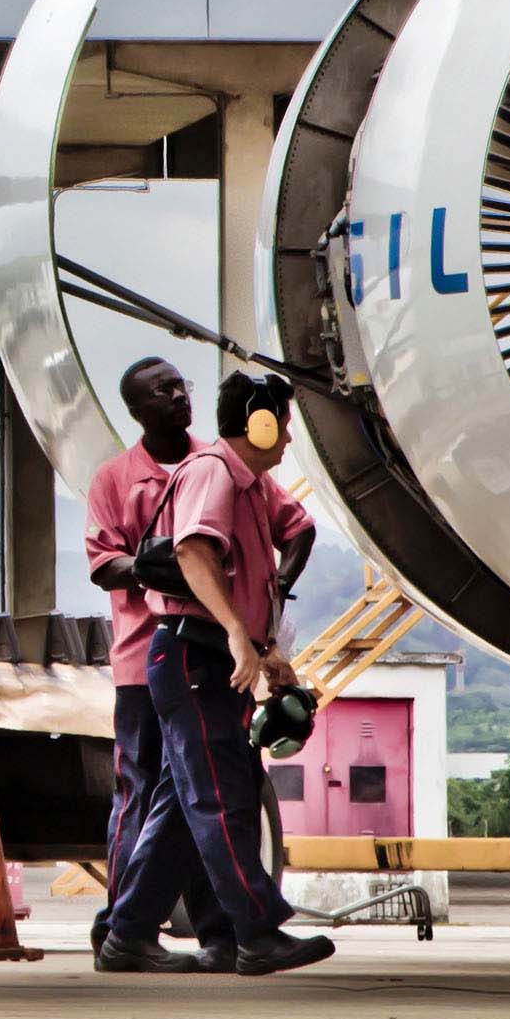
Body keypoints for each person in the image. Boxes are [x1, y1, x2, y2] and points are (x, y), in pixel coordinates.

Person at [92, 369, 338, 977]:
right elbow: (192, 552)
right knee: (219, 797)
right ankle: (255, 931)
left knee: (182, 802)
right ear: (257, 421)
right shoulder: (213, 473)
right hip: (192, 652)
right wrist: (235, 633)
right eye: (283, 424)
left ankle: (127, 933)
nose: (287, 440)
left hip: (209, 654)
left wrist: (266, 649)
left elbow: (262, 566)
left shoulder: (246, 481)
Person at [83, 355, 233, 974]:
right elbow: (102, 565)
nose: (179, 396)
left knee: (208, 796)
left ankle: (218, 931)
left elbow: (286, 524)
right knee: (141, 794)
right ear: (136, 410)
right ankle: (121, 925)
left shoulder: (218, 466)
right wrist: (149, 565)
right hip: (143, 664)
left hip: (212, 656)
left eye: (182, 386)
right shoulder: (114, 480)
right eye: (163, 390)